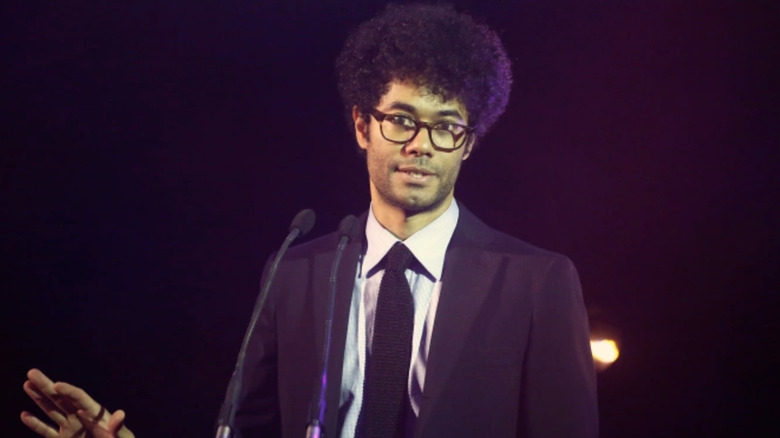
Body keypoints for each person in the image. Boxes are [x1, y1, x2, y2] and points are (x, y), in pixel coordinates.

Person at [21, 3, 598, 438]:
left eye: (446, 126)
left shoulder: (537, 280)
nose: (421, 144)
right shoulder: (295, 271)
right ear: (361, 125)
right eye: (401, 119)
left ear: (467, 144)